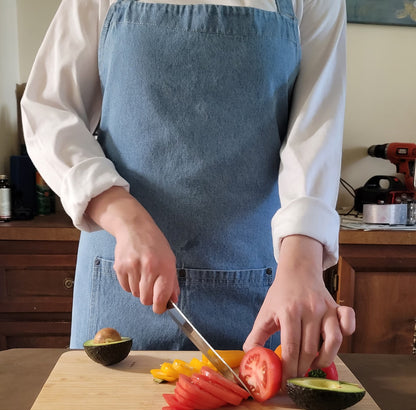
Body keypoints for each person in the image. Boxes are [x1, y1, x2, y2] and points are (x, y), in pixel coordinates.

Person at [21, 0, 355, 385]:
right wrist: (125, 217)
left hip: (257, 292)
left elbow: (317, 130)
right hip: (122, 285)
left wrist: (303, 266)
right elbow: (48, 108)